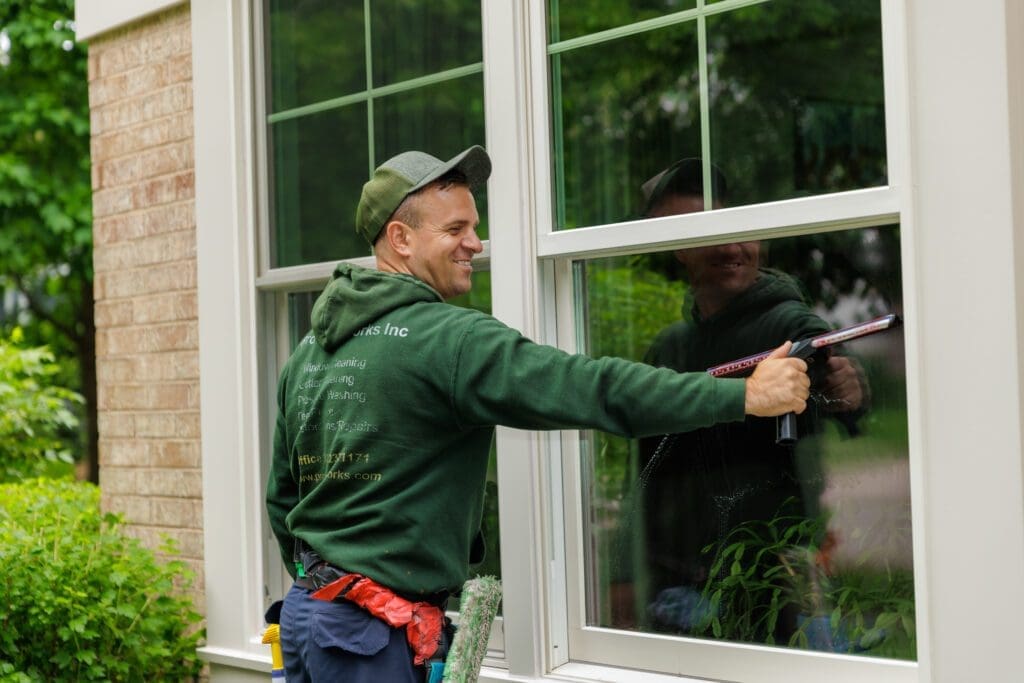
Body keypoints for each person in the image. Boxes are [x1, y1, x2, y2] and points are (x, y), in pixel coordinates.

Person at [265, 146, 811, 682]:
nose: (474, 244)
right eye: (455, 230)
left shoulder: (310, 352)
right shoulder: (449, 342)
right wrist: (743, 396)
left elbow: (284, 499)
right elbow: (596, 390)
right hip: (371, 637)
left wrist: (327, 587)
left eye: (473, 227)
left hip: (308, 619)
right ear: (401, 239)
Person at [615, 158, 865, 639]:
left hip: (774, 585)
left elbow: (835, 370)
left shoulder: (787, 323)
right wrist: (625, 573)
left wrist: (850, 389)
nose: (732, 246)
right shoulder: (671, 346)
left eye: (742, 229)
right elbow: (645, 477)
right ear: (678, 250)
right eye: (710, 233)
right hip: (677, 584)